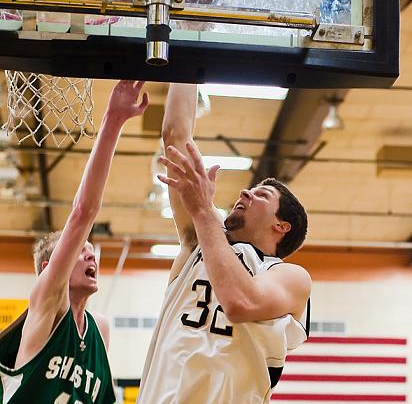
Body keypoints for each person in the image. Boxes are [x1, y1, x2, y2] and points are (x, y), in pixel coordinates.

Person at [138, 84, 311, 404]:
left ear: (281, 226)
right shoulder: (197, 242)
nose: (245, 193)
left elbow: (241, 303)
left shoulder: (290, 277)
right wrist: (188, 58)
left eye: (262, 195)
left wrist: (204, 211)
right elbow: (175, 137)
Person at [0, 80, 149, 404]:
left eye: (92, 252)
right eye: (81, 252)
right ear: (48, 269)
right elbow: (84, 212)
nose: (90, 257)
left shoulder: (101, 330)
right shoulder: (48, 303)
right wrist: (113, 120)